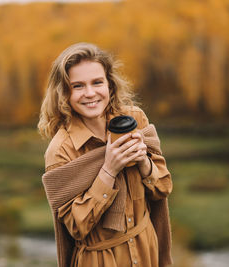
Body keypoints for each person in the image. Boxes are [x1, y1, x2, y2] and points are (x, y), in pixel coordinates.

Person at [38, 42, 173, 267]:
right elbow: (76, 227)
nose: (90, 93)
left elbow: (163, 188)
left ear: (109, 85)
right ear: (64, 92)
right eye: (78, 86)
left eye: (97, 82)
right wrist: (109, 170)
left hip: (147, 250)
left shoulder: (135, 121)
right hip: (99, 260)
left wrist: (143, 163)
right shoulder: (61, 150)